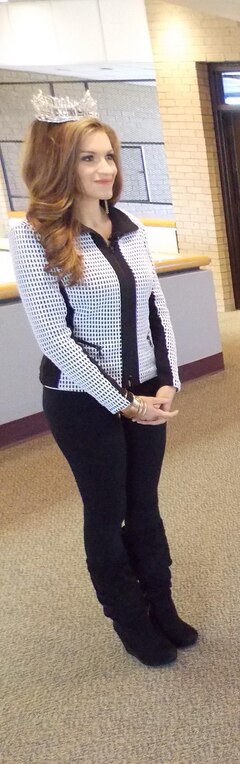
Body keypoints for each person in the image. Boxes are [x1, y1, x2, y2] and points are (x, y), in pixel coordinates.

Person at [10, 91, 197, 668]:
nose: (107, 169)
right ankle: (130, 621)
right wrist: (122, 402)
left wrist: (167, 383)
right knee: (107, 509)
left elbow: (155, 309)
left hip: (146, 392)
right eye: (89, 158)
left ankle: (161, 604)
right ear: (59, 166)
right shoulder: (34, 236)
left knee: (145, 505)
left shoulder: (128, 227)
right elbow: (55, 339)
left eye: (109, 155)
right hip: (82, 401)